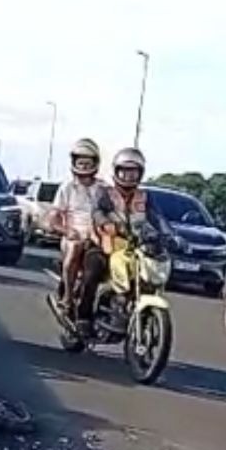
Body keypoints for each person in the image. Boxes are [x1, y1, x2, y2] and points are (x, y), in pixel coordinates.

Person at [75, 147, 169, 324]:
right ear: (116, 171)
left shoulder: (145, 197)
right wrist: (106, 223)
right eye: (124, 172)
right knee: (92, 271)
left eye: (133, 173)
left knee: (147, 273)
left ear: (140, 174)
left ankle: (128, 302)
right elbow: (97, 211)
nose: (128, 177)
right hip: (105, 244)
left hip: (134, 246)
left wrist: (172, 236)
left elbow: (158, 218)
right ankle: (83, 317)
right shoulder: (105, 193)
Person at [50, 139, 109, 317]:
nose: (83, 166)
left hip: (97, 236)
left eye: (87, 162)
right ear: (74, 163)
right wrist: (67, 230)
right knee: (74, 248)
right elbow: (53, 218)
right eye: (80, 162)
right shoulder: (66, 188)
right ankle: (67, 298)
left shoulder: (104, 189)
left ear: (95, 163)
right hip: (73, 236)